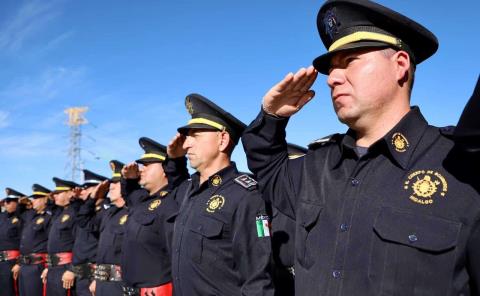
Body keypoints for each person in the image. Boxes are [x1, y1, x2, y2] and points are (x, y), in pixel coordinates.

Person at [242, 0, 480, 295]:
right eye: (332, 68)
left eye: (350, 60)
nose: (334, 78)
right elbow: (267, 168)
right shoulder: (317, 167)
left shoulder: (461, 169)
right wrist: (270, 117)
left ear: (400, 65)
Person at [166, 93, 274, 295]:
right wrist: (173, 160)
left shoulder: (245, 196)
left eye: (195, 135)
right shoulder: (189, 190)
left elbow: (257, 280)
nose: (186, 144)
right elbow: (169, 191)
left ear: (222, 139)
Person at [120, 137, 178, 296]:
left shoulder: (172, 200)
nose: (142, 169)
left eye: (147, 165)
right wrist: (129, 180)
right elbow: (129, 195)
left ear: (165, 169)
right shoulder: (142, 200)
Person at [88, 160, 128, 296]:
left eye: (116, 183)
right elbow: (84, 223)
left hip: (121, 285)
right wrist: (93, 198)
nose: (111, 186)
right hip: (103, 282)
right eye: (111, 182)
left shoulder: (133, 212)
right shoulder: (109, 213)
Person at [71, 170, 108, 296]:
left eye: (87, 188)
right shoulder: (86, 211)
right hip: (81, 275)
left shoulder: (106, 211)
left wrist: (98, 278)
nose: (83, 191)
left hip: (95, 275)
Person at [42, 178, 80, 296]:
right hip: (54, 268)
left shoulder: (76, 213)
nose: (55, 196)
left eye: (59, 193)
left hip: (65, 269)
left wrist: (71, 269)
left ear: (70, 193)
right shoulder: (61, 213)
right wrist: (48, 266)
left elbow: (78, 244)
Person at [14, 184, 53, 296]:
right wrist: (21, 204)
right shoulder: (31, 216)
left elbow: (52, 241)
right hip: (24, 265)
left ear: (45, 199)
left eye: (36, 198)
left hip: (37, 266)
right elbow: (18, 215)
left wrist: (48, 266)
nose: (33, 201)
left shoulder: (49, 216)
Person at [0, 188, 23, 296]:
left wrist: (19, 263)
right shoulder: (2, 217)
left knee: (11, 292)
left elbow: (25, 243)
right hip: (1, 262)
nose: (6, 204)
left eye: (10, 201)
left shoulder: (22, 218)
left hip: (12, 262)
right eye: (6, 201)